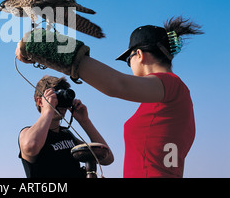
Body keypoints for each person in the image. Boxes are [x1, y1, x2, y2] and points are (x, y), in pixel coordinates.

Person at [16, 16, 203, 178]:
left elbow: (117, 85)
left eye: (128, 60)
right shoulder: (171, 99)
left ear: (139, 55)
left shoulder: (169, 87)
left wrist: (41, 43)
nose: (129, 66)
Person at [18, 75, 114, 178]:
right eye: (56, 98)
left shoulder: (67, 135)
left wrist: (85, 121)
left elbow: (107, 158)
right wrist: (48, 111)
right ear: (40, 101)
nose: (60, 103)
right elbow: (31, 146)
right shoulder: (27, 133)